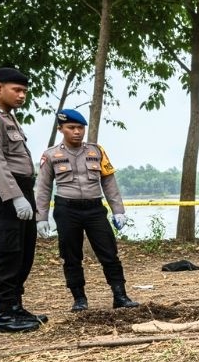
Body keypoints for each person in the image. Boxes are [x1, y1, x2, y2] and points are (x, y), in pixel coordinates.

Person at [33, 108, 139, 312]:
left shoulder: (96, 151)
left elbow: (108, 181)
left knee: (109, 253)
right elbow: (43, 187)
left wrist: (118, 210)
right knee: (71, 256)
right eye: (71, 127)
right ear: (61, 129)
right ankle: (79, 299)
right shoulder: (51, 155)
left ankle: (120, 296)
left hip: (94, 209)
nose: (77, 132)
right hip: (67, 209)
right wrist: (41, 217)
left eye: (80, 128)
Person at [0, 67, 46, 333]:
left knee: (23, 252)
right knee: (7, 252)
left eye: (25, 91)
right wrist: (15, 197)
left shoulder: (8, 117)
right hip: (4, 192)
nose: (22, 95)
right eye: (17, 90)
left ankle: (15, 307)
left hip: (21, 189)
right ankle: (3, 316)